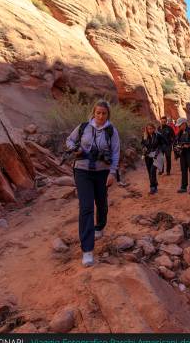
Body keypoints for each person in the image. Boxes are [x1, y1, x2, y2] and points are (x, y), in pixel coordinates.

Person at [66, 100, 120, 266]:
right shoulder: (83, 127)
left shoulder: (111, 131)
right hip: (82, 170)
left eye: (104, 113)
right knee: (86, 207)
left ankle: (100, 226)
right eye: (98, 113)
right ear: (93, 113)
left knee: (101, 203)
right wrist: (75, 149)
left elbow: (116, 152)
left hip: (102, 173)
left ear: (107, 115)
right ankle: (87, 250)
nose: (101, 116)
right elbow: (69, 140)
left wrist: (112, 172)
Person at [141, 123, 167, 194]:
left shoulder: (158, 135)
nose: (150, 130)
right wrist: (144, 148)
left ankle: (152, 187)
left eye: (151, 128)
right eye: (148, 129)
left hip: (157, 155)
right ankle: (154, 186)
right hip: (148, 155)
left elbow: (165, 143)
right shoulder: (144, 136)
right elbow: (142, 143)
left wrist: (160, 149)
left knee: (153, 170)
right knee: (150, 172)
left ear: (154, 128)